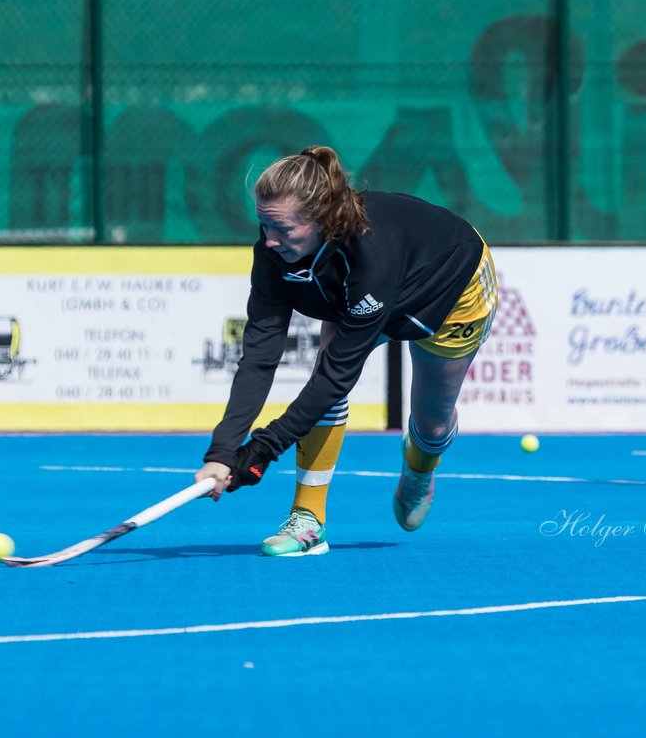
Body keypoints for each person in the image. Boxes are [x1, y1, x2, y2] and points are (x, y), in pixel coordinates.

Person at [194, 146, 498, 556]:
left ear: (321, 219)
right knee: (325, 379)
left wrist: (265, 447)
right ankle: (308, 521)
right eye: (263, 225)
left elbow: (339, 374)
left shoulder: (372, 253)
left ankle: (421, 467)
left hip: (451, 285)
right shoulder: (273, 252)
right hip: (360, 290)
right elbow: (259, 356)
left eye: (281, 228)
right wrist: (223, 451)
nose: (269, 240)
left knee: (432, 425)